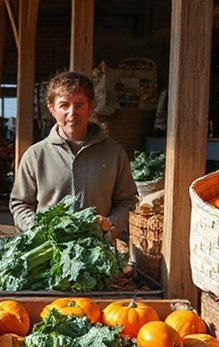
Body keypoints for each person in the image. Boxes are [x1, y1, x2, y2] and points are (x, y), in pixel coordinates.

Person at [9, 71, 137, 237]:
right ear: (52, 109)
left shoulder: (114, 153)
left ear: (91, 106)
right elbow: (21, 203)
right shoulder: (35, 156)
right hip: (48, 252)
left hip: (98, 252)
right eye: (64, 105)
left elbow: (127, 201)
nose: (72, 113)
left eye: (79, 104)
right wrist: (37, 230)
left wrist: (111, 225)